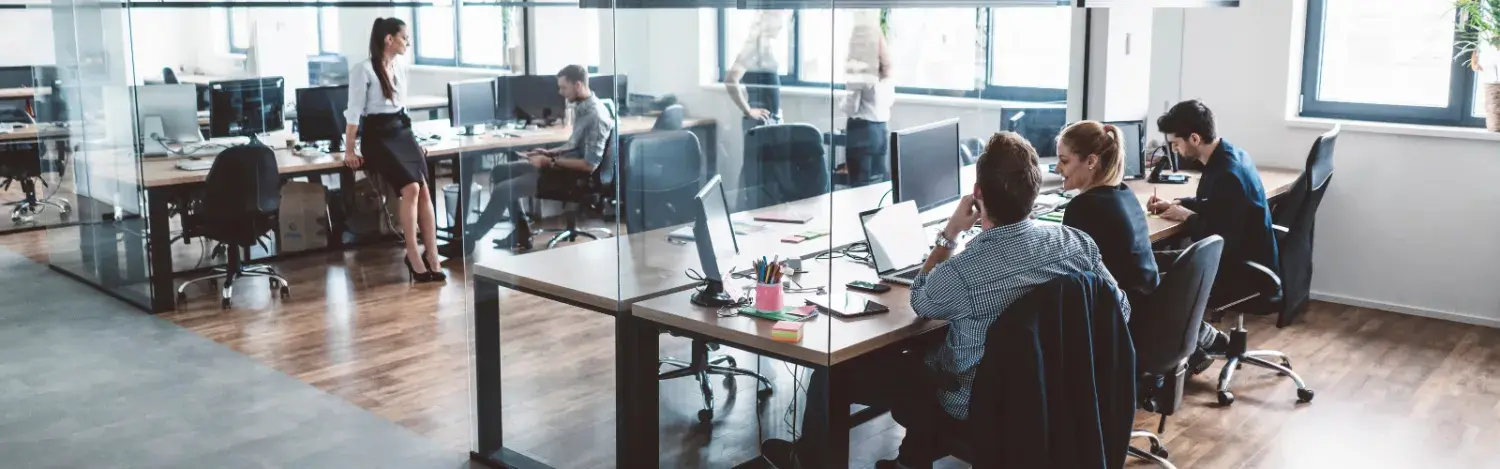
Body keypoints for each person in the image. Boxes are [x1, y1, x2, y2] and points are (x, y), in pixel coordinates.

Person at [760, 132, 1129, 469]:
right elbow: (1119, 309)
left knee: (836, 369)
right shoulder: (1076, 243)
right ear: (1033, 191)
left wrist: (949, 235)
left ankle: (806, 461)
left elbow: (921, 300)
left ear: (978, 194)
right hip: (1059, 393)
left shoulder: (965, 271)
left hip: (975, 401)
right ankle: (910, 461)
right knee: (943, 345)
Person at [1146, 99, 1280, 374]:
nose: (1175, 150)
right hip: (1247, 257)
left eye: (1176, 143)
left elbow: (1220, 238)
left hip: (1241, 269)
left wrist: (1185, 217)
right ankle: (1202, 343)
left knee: (1149, 274)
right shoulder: (1229, 156)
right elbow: (1217, 205)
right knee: (1149, 261)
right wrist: (1180, 203)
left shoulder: (1227, 173)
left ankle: (1194, 347)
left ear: (1194, 138)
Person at [447, 65, 616, 254]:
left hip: (573, 177)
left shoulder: (596, 116)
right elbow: (574, 146)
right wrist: (549, 152)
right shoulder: (583, 108)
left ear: (577, 85)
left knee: (504, 190)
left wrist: (549, 162)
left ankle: (467, 243)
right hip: (561, 167)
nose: (560, 93)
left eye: (563, 88)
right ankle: (521, 232)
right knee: (500, 171)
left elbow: (589, 165)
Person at [343, 17, 445, 283]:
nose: (408, 43)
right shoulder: (363, 70)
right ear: (389, 39)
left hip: (402, 131)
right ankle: (412, 254)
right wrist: (349, 151)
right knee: (410, 188)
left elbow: (402, 107)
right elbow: (353, 114)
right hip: (378, 136)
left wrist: (414, 139)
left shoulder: (400, 67)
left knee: (423, 188)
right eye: (404, 38)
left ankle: (432, 255)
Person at [1056, 120, 1160, 310]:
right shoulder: (1124, 192)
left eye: (1064, 161)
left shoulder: (1084, 206)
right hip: (1150, 308)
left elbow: (1066, 271)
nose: (1057, 168)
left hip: (1123, 318)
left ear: (1091, 161)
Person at [840, 11, 895, 187]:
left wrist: (840, 103)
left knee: (859, 187)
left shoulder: (860, 71)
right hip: (881, 131)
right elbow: (890, 101)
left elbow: (851, 107)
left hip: (861, 131)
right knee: (878, 184)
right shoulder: (886, 71)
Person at [725, 10, 789, 131]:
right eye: (778, 18)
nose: (781, 24)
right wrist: (748, 111)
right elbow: (730, 80)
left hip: (771, 119)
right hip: (759, 122)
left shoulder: (767, 48)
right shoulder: (753, 48)